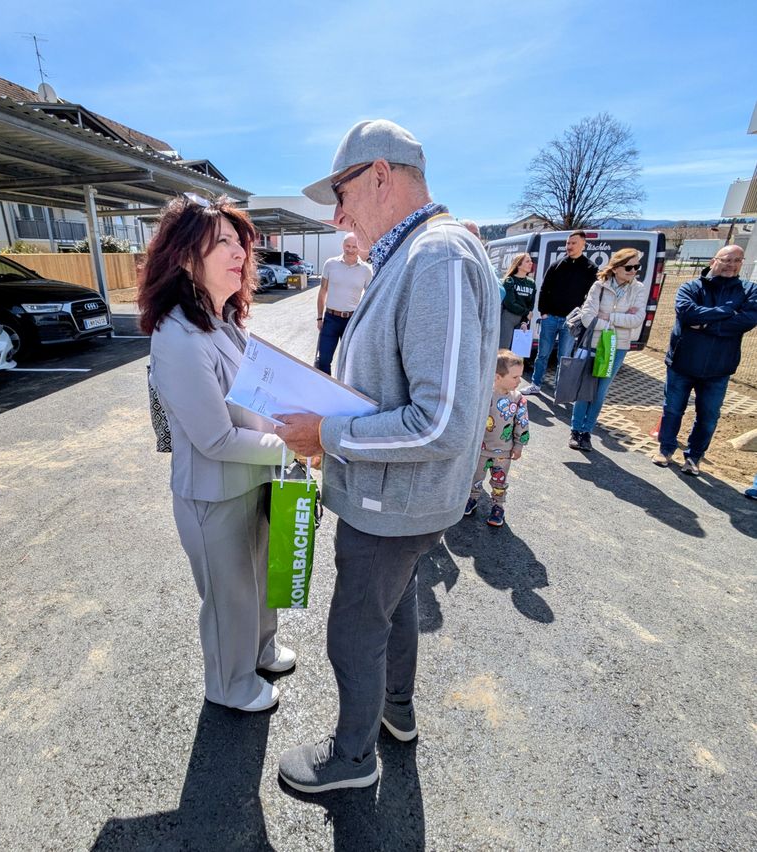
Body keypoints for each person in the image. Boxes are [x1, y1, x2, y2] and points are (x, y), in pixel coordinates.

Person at [274, 119, 499, 793]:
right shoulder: (415, 255)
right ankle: (395, 713)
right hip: (396, 498)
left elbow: (443, 424)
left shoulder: (437, 257)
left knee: (354, 628)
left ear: (380, 175)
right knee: (395, 607)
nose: (337, 214)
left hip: (391, 499)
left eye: (340, 194)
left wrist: (329, 435)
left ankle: (351, 758)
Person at [139, 197, 296, 714]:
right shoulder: (178, 337)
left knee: (261, 581)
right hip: (213, 492)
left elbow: (252, 399)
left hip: (253, 479)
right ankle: (230, 685)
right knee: (230, 598)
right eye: (223, 242)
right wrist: (291, 444)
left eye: (240, 242)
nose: (240, 253)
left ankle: (260, 653)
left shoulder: (224, 319)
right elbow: (215, 440)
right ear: (187, 258)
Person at [652, 245, 757, 474]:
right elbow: (688, 313)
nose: (731, 265)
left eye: (737, 260)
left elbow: (748, 320)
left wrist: (706, 324)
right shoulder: (691, 287)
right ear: (713, 261)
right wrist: (729, 311)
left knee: (708, 416)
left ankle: (694, 457)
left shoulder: (749, 291)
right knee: (672, 410)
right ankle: (666, 449)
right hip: (683, 362)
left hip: (719, 367)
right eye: (726, 260)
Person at [568, 248, 646, 452]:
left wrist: (608, 317)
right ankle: (575, 430)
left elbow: (637, 320)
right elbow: (587, 317)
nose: (633, 270)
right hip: (594, 343)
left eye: (637, 266)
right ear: (616, 267)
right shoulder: (599, 286)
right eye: (629, 266)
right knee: (586, 388)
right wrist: (621, 318)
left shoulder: (638, 289)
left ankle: (587, 432)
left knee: (600, 392)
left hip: (617, 346)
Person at [522, 231, 597, 394]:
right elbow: (544, 289)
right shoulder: (556, 265)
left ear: (583, 244)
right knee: (543, 354)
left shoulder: (590, 268)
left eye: (573, 243)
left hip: (570, 322)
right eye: (568, 243)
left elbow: (592, 296)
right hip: (550, 318)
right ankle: (536, 384)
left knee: (564, 356)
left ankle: (560, 389)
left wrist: (580, 316)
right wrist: (543, 312)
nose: (569, 246)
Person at [465, 349, 529, 527]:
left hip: (504, 452)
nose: (519, 381)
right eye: (515, 377)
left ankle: (498, 506)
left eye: (520, 377)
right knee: (474, 476)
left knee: (499, 481)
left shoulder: (518, 399)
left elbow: (522, 423)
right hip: (481, 450)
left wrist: (519, 445)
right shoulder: (483, 395)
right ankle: (472, 498)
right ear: (497, 376)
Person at [314, 232, 372, 374]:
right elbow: (323, 291)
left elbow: (370, 297)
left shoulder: (366, 270)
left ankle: (344, 391)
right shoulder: (330, 264)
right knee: (324, 360)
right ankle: (325, 389)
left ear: (359, 248)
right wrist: (319, 317)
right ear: (343, 245)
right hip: (330, 319)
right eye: (347, 246)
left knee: (349, 362)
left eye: (354, 246)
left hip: (352, 321)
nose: (350, 250)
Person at [500, 252, 536, 350]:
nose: (531, 263)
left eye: (531, 261)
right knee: (503, 349)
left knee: (519, 351)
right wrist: (526, 312)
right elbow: (510, 303)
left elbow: (531, 304)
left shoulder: (531, 283)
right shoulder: (509, 280)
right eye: (527, 261)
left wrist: (525, 321)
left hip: (523, 320)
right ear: (519, 265)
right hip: (508, 317)